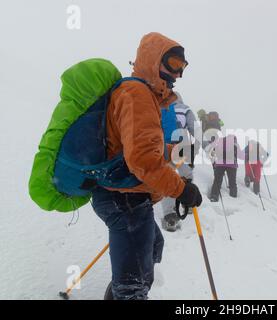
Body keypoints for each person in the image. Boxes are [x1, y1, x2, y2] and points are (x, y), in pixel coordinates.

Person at [91, 32, 202, 300]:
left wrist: (168, 153)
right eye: (173, 63)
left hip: (127, 196)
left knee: (152, 247)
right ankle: (124, 290)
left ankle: (120, 288)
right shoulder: (137, 94)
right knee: (134, 286)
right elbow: (141, 160)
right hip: (123, 199)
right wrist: (181, 189)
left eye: (182, 67)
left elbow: (136, 148)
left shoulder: (144, 96)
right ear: (153, 60)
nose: (177, 74)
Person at [160, 92, 202, 232]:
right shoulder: (185, 109)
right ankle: (188, 203)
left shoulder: (159, 106)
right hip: (181, 147)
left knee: (166, 178)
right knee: (187, 175)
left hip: (164, 147)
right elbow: (196, 130)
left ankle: (170, 215)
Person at [208, 130, 245, 202]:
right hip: (232, 165)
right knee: (232, 182)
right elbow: (241, 156)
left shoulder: (220, 141)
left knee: (217, 181)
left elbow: (213, 150)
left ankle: (214, 196)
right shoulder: (235, 143)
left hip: (220, 164)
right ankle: (233, 196)